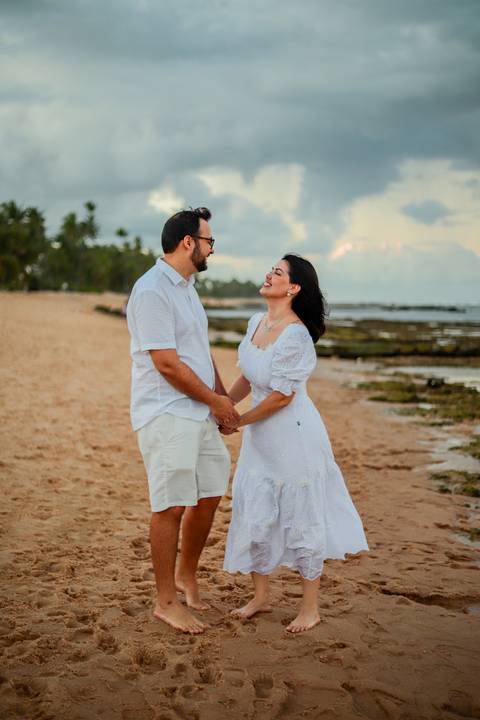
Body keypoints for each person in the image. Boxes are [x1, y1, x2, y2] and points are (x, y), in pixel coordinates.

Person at [222, 254, 368, 633]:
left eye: (279, 272)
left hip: (294, 436)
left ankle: (310, 607)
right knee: (255, 510)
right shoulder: (257, 322)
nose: (269, 273)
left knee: (301, 516)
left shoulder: (297, 335)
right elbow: (250, 378)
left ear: (294, 287)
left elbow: (282, 396)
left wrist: (239, 420)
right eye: (271, 268)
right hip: (260, 438)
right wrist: (224, 406)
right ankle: (260, 596)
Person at [126, 207, 238, 634]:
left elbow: (199, 352)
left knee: (209, 492)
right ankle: (165, 601)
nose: (212, 249)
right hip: (166, 412)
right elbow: (167, 365)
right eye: (209, 241)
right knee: (170, 504)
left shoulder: (188, 288)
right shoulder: (153, 289)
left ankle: (185, 574)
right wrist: (213, 401)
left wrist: (222, 399)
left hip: (198, 410)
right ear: (189, 242)